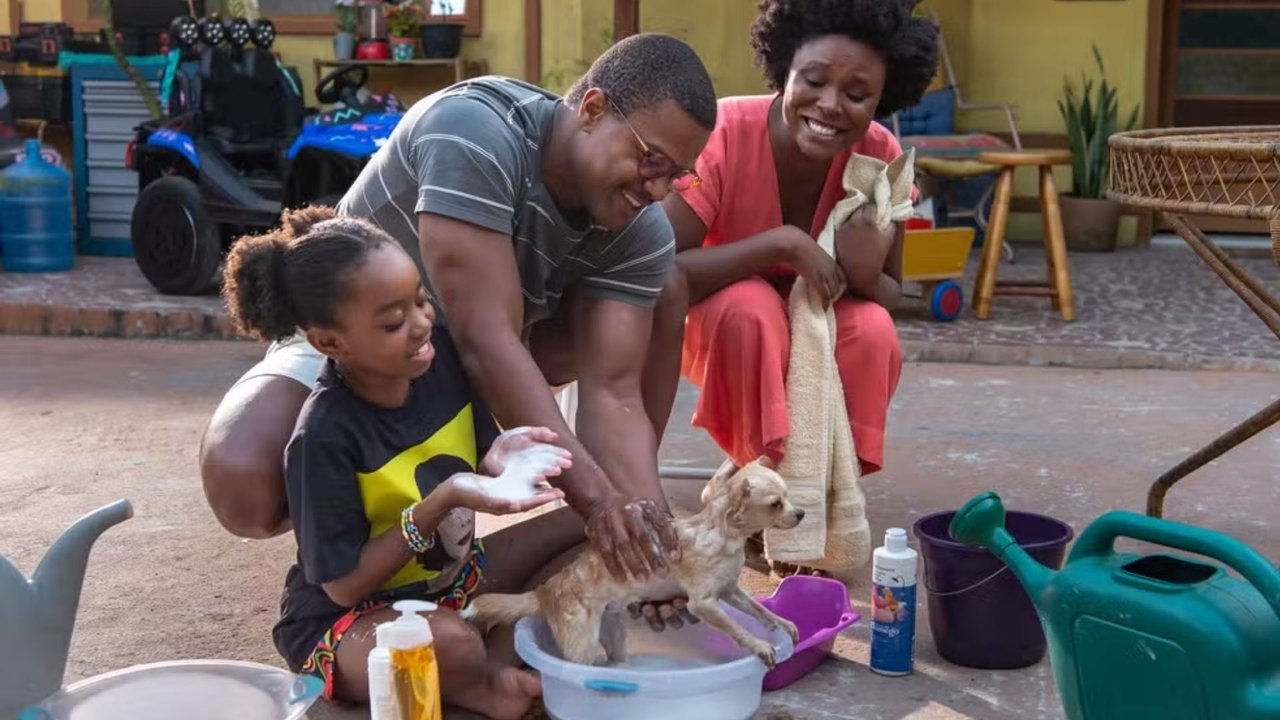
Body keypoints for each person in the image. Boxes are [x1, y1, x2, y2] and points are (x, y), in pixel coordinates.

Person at [198, 33, 718, 617]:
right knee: (244, 478)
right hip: (358, 350)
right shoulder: (474, 131)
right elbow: (485, 340)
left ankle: (466, 534)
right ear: (592, 109)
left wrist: (649, 535)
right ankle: (356, 529)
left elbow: (613, 390)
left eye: (677, 175)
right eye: (649, 159)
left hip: (455, 377)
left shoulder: (640, 227)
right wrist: (600, 503)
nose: (656, 190)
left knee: (664, 283)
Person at [223, 206, 576, 718]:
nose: (420, 325)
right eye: (393, 321)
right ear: (329, 342)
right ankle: (484, 683)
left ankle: (479, 669)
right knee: (445, 643)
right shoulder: (321, 439)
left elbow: (477, 455)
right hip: (350, 620)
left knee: (586, 525)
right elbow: (343, 585)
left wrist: (499, 456)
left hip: (453, 582)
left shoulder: (443, 357)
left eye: (421, 300)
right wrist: (443, 501)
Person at [654, 0, 939, 569]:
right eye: (813, 81)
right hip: (715, 323)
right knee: (753, 305)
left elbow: (893, 294)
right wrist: (781, 244)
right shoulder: (727, 134)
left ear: (882, 100)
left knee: (874, 330)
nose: (830, 105)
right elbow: (659, 269)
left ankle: (818, 492)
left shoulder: (878, 156)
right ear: (784, 68)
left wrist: (862, 267)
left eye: (857, 95)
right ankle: (765, 487)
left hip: (820, 323)